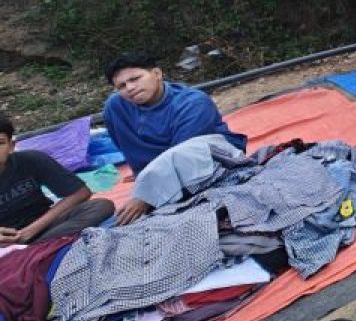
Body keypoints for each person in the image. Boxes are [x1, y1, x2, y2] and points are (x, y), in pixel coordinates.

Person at [103, 51, 247, 225]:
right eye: (121, 86)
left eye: (135, 79)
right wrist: (143, 178)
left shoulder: (193, 103)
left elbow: (184, 156)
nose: (130, 88)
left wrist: (146, 196)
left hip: (203, 163)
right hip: (157, 172)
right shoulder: (116, 106)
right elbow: (124, 144)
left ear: (157, 74)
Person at [0, 113, 114, 245]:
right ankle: (40, 248)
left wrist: (30, 230)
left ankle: (35, 248)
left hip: (45, 225)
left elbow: (81, 192)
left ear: (11, 146)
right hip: (4, 241)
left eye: (0, 143)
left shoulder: (31, 160)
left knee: (101, 206)